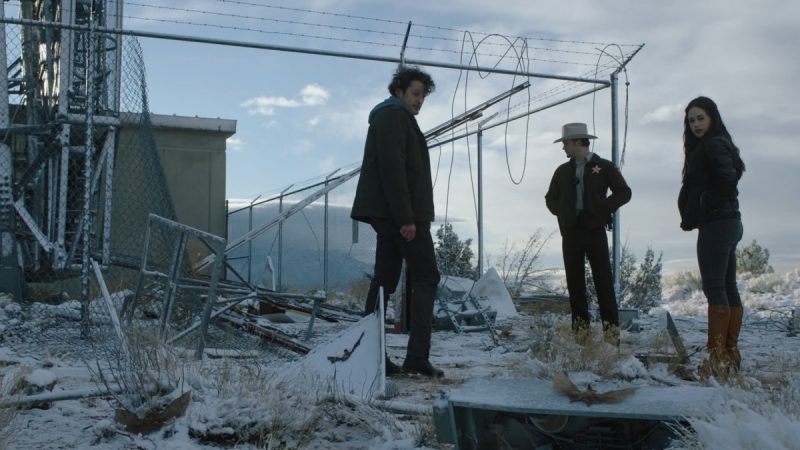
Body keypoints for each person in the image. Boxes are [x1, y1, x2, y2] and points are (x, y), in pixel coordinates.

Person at [350, 66, 443, 378]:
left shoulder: (394, 117)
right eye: (415, 94)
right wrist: (406, 218)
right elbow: (394, 168)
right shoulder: (393, 116)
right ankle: (416, 357)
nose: (419, 101)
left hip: (392, 214)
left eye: (423, 96)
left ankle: (371, 354)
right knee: (426, 276)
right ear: (399, 90)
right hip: (402, 216)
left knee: (384, 280)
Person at [678, 96, 745, 379]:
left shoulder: (714, 144)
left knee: (715, 289)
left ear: (712, 118)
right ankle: (729, 355)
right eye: (691, 120)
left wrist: (706, 203)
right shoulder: (716, 143)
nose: (696, 124)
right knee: (727, 287)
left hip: (718, 224)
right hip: (728, 222)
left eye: (700, 118)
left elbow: (727, 180)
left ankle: (718, 359)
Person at [545, 123, 631, 343]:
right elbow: (550, 198)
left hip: (594, 231)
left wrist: (603, 208)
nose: (563, 148)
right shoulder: (562, 171)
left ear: (578, 143)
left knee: (603, 283)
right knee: (575, 285)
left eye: (566, 143)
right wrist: (564, 213)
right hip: (571, 232)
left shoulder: (603, 166)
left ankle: (611, 338)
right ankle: (581, 337)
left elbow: (624, 192)